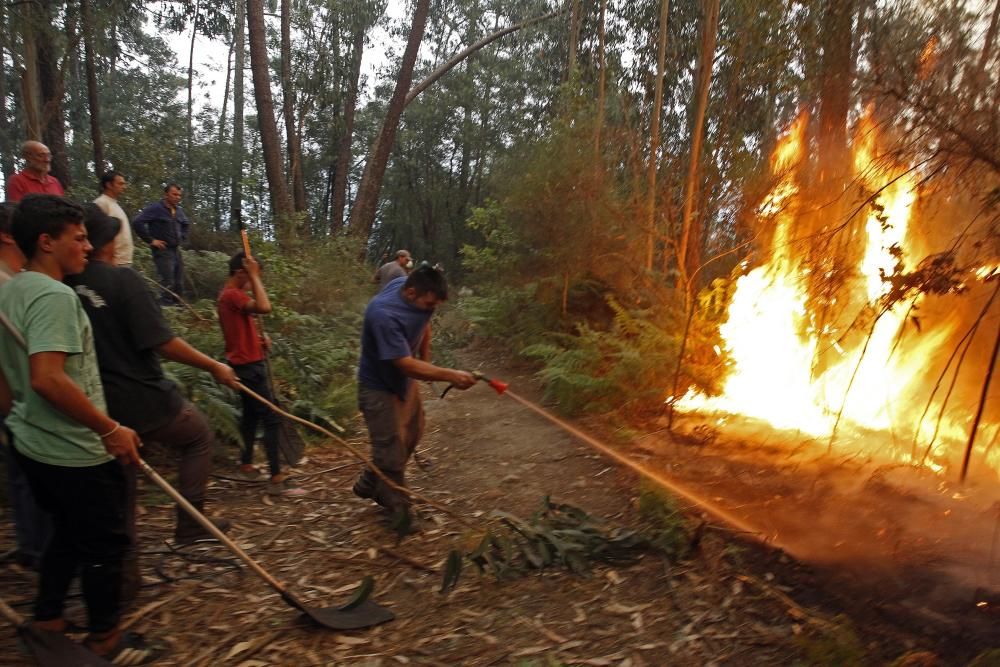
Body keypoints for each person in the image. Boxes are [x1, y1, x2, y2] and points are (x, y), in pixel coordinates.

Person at [0, 195, 161, 663]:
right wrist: (109, 428)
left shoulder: (11, 290)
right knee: (105, 543)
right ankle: (105, 637)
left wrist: (13, 423)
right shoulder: (54, 296)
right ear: (46, 242)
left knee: (66, 535)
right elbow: (48, 377)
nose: (89, 246)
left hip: (31, 442)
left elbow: (8, 383)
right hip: (73, 449)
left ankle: (48, 618)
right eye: (79, 237)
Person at [66, 205, 237, 549]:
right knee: (197, 435)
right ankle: (190, 525)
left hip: (94, 404)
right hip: (143, 398)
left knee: (123, 477)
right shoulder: (122, 280)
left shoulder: (64, 283)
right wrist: (214, 365)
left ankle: (123, 573)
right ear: (109, 243)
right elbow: (163, 342)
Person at [352, 266, 476, 525]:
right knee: (391, 449)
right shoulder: (383, 314)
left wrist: (427, 365)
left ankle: (369, 482)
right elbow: (404, 364)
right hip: (378, 387)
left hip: (404, 382)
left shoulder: (406, 285)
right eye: (429, 303)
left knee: (413, 432)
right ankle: (400, 513)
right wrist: (448, 374)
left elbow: (424, 322)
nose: (432, 308)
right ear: (410, 293)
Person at [218, 251, 305, 496]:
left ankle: (246, 463)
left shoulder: (232, 297)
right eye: (251, 276)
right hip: (248, 367)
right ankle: (276, 478)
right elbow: (265, 306)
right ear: (240, 273)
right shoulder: (232, 295)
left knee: (250, 417)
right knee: (271, 418)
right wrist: (255, 277)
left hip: (247, 362)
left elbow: (241, 327)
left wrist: (258, 340)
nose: (254, 281)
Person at [0, 202, 53, 570]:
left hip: (16, 399)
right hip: (17, 399)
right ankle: (39, 552)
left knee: (25, 475)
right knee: (29, 476)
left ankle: (35, 550)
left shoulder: (13, 280)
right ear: (8, 235)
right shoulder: (7, 285)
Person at [132, 183, 189, 304]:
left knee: (179, 283)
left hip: (176, 251)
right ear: (166, 194)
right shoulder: (156, 208)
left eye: (179, 195)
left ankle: (179, 312)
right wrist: (151, 240)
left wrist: (182, 237)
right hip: (163, 251)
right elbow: (137, 222)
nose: (177, 197)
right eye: (174, 194)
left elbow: (185, 224)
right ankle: (167, 312)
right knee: (167, 283)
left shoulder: (178, 211)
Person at [93, 171, 133, 266]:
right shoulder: (101, 203)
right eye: (120, 183)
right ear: (109, 185)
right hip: (114, 262)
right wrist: (109, 260)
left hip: (124, 260)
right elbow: (100, 234)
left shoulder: (114, 204)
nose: (124, 187)